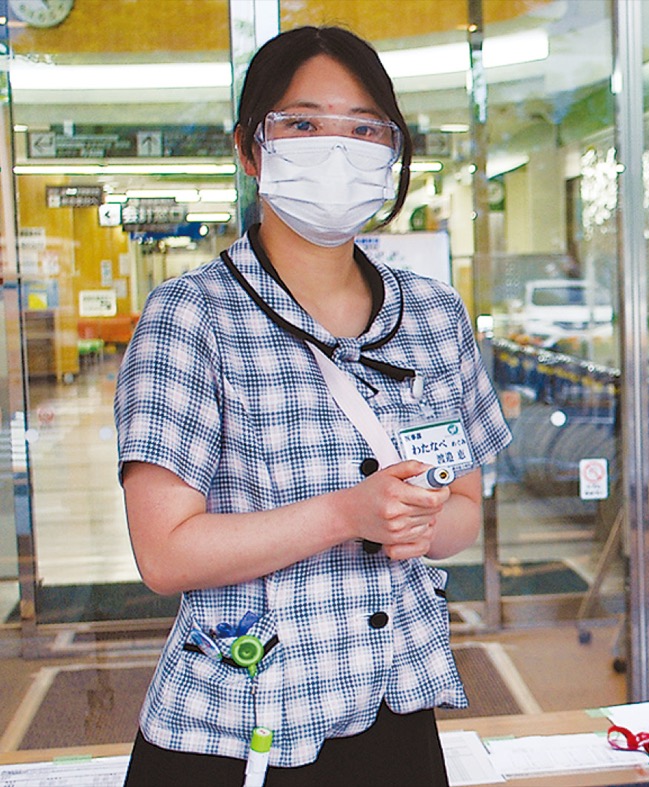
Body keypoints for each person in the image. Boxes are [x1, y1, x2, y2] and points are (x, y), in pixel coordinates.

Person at [114, 26, 511, 786]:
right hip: (242, 727)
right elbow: (165, 553)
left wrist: (414, 520)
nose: (337, 149)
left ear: (393, 152)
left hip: (396, 707)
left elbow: (462, 515)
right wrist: (346, 515)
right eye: (301, 124)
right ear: (250, 148)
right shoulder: (190, 317)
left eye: (364, 129)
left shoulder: (433, 316)